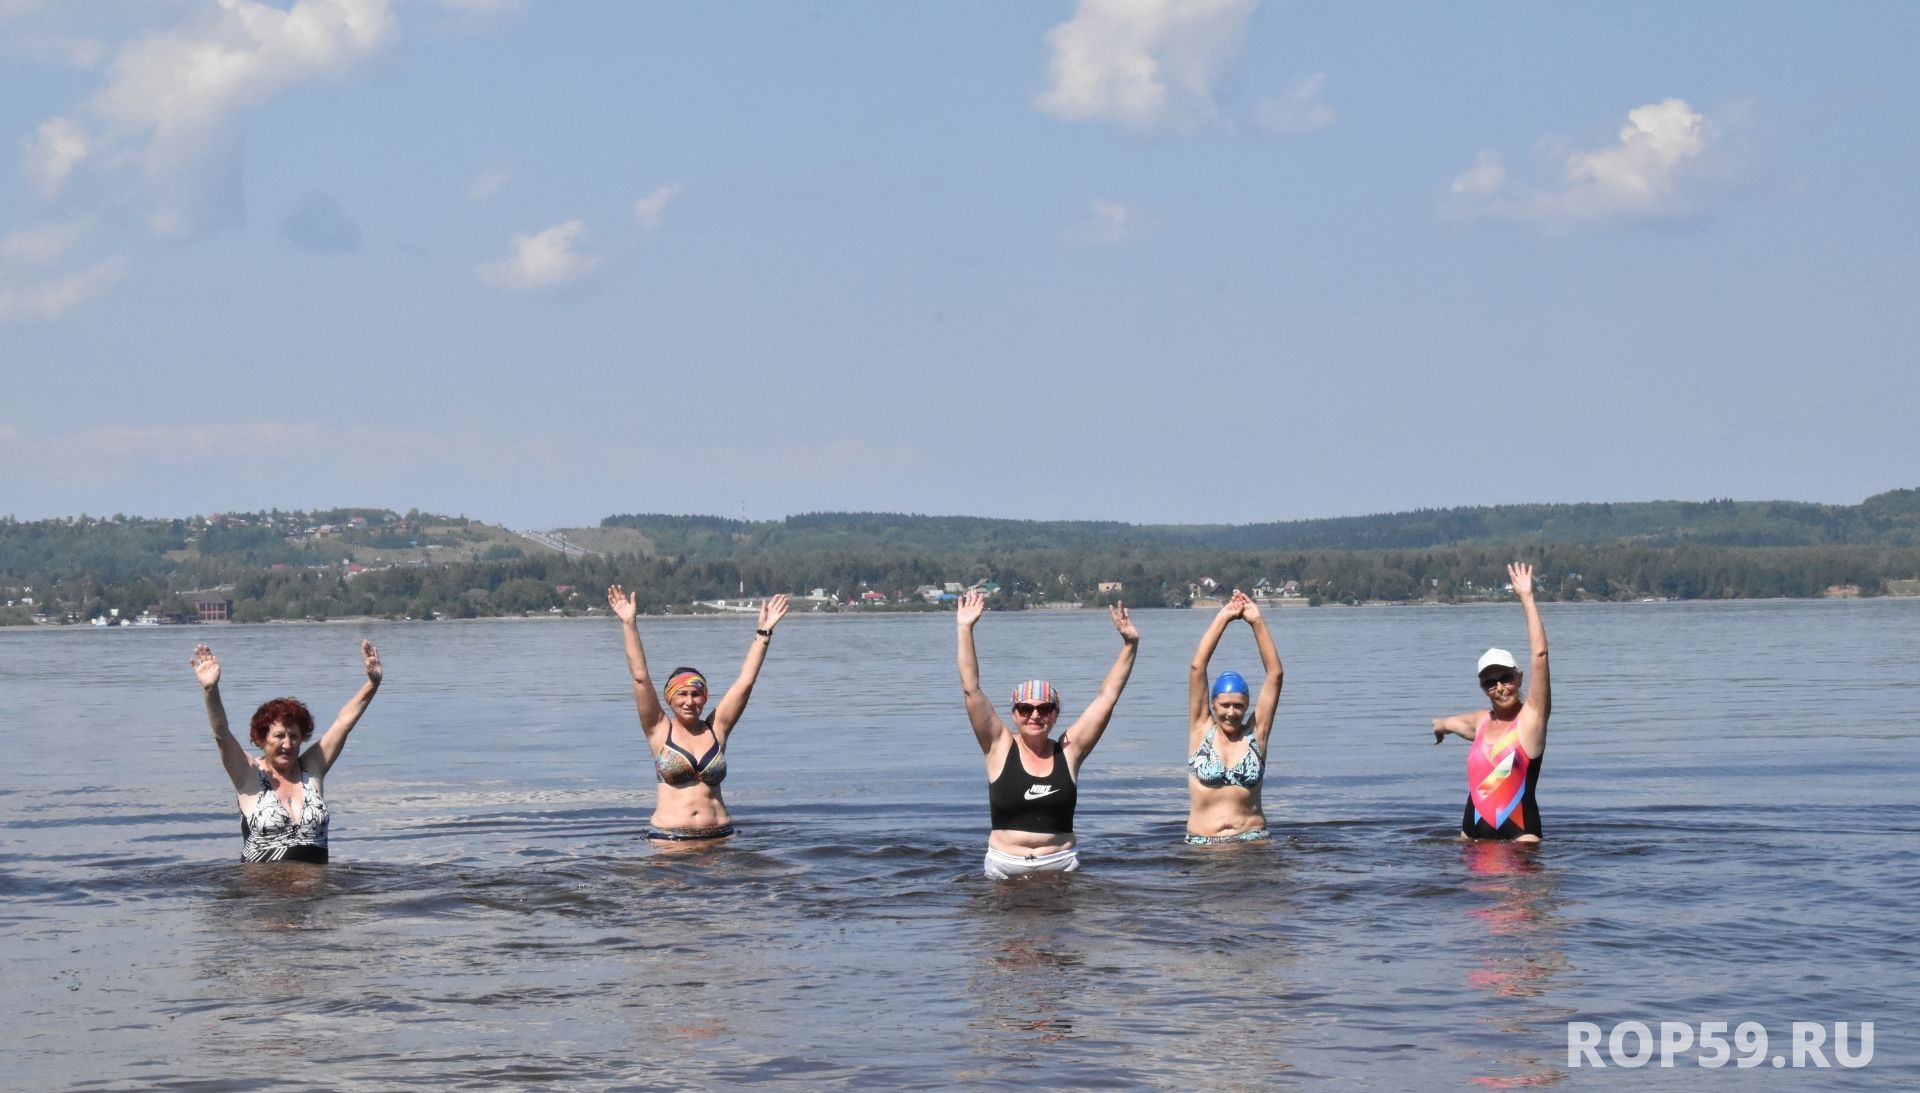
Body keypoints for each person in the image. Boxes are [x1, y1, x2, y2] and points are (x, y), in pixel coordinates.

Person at [955, 589, 1139, 878]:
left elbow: (1107, 697)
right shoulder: (998, 745)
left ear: (1055, 714)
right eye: (1026, 708)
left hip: (1061, 864)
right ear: (1014, 713)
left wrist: (1130, 644)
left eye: (1045, 708)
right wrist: (965, 628)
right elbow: (971, 689)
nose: (1035, 715)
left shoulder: (1069, 750)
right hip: (1005, 865)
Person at [607, 584, 788, 845]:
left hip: (720, 837)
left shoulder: (718, 727)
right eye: (682, 694)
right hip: (671, 840)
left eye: (696, 694)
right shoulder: (658, 730)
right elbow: (640, 678)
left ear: (705, 698)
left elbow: (746, 681)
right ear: (669, 698)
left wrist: (764, 631)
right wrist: (628, 623)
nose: (689, 701)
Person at [190, 640, 383, 863]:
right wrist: (210, 690)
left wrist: (372, 684)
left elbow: (343, 723)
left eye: (294, 736)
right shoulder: (248, 772)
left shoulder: (312, 768)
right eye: (279, 736)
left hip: (316, 894)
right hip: (261, 894)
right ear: (261, 738)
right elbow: (221, 733)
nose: (288, 744)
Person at [1431, 562, 1552, 841]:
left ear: (1519, 678)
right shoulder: (1481, 722)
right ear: (1483, 687)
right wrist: (1438, 727)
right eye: (1490, 682)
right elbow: (1449, 722)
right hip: (1471, 843)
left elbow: (1540, 655)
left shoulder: (1531, 720)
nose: (1500, 687)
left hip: (1521, 845)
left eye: (1506, 678)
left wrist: (1527, 598)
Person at [1184, 590, 1283, 844]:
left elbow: (1275, 675)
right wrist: (1224, 617)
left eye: (1238, 706)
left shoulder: (1256, 734)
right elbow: (1197, 667)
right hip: (1204, 847)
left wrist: (1257, 622)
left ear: (1247, 705)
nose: (1231, 712)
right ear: (1213, 705)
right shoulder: (1200, 729)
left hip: (1253, 843)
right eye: (1225, 705)